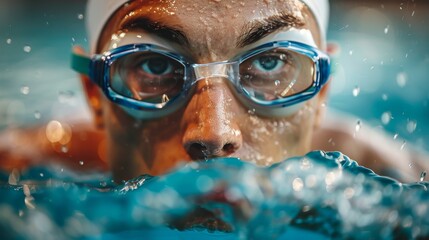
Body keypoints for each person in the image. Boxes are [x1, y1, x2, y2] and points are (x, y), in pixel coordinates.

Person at [0, 0, 427, 183]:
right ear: (95, 94)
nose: (213, 133)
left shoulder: (396, 176)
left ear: (322, 90)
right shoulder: (26, 165)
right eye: (156, 65)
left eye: (269, 62)